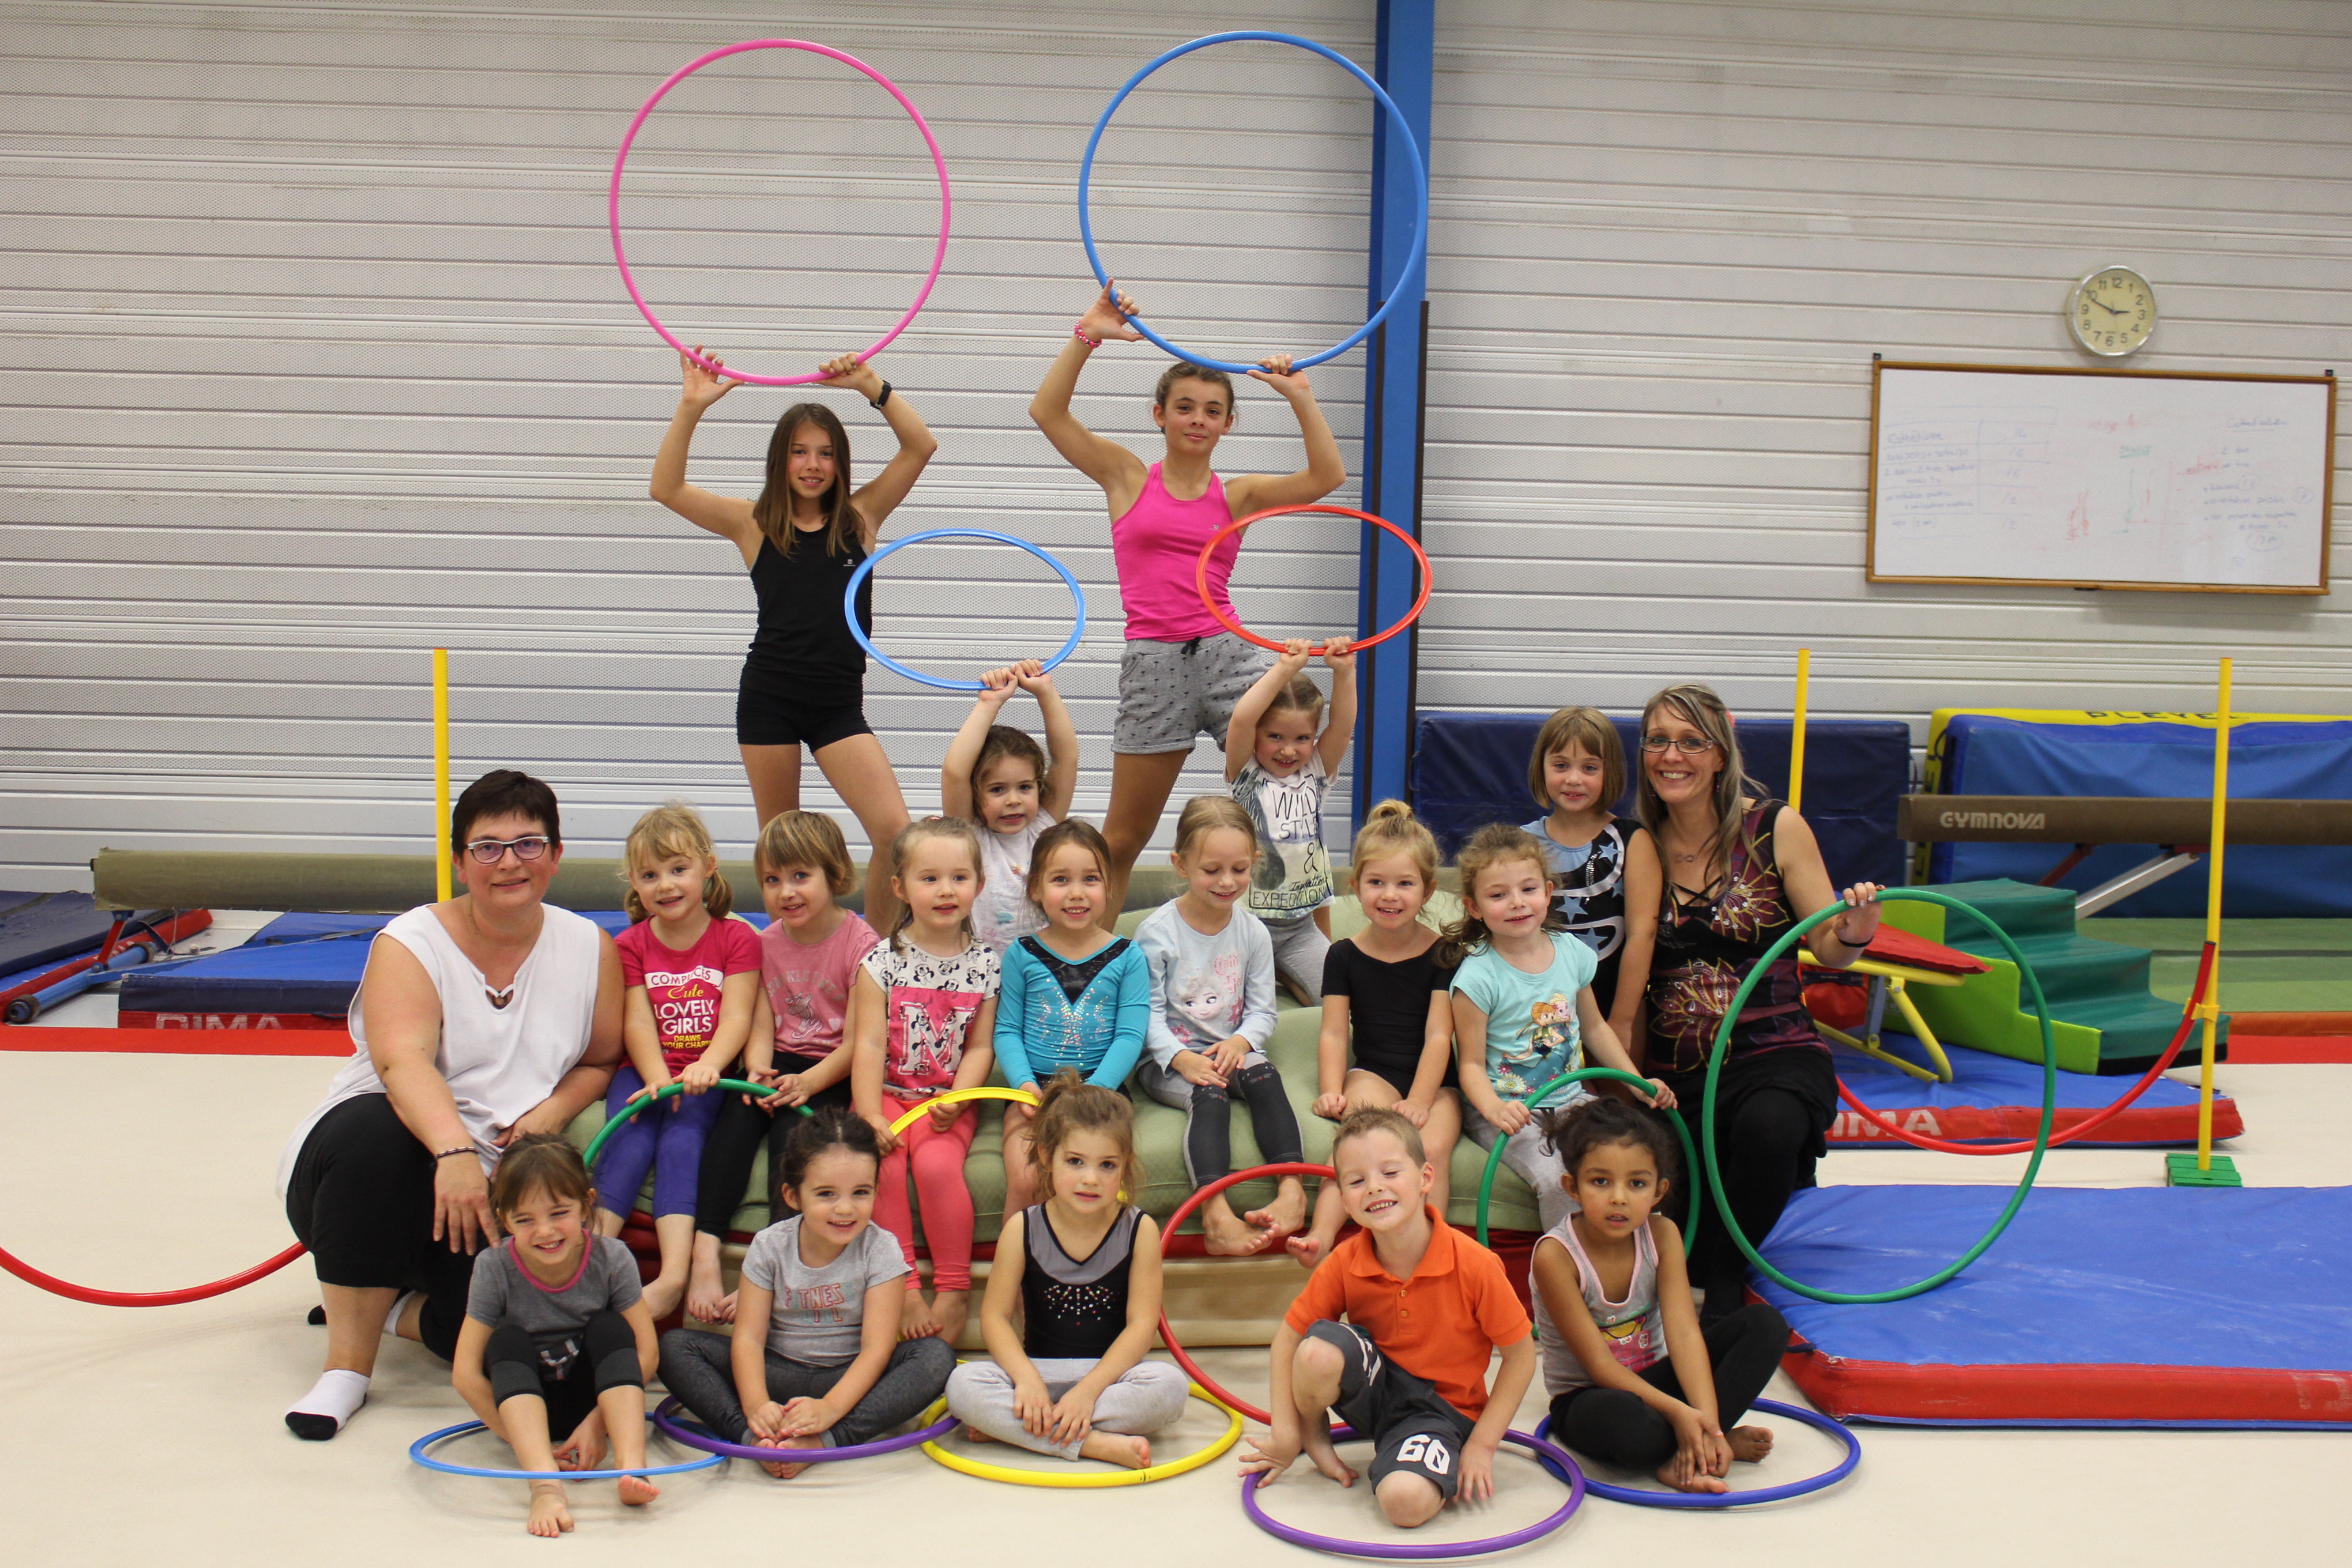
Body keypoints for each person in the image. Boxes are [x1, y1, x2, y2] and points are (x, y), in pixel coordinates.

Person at [279, 769, 623, 1441]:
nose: (510, 862)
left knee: (520, 1330)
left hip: (494, 1185)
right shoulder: (411, 942)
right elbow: (401, 1062)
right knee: (375, 1134)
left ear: (555, 855)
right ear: (461, 863)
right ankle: (346, 1369)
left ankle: (396, 1311)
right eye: (488, 848)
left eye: (528, 844)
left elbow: (600, 1060)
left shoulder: (589, 947)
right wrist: (455, 1151)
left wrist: (553, 1112)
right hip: (378, 1171)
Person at [1028, 281, 1347, 915]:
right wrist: (1088, 335)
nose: (1198, 419)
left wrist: (1300, 396)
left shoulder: (1239, 495)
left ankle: (1312, 950)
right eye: (1184, 407)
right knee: (1122, 839)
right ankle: (1096, 954)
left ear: (1228, 423)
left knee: (1289, 815)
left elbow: (1327, 476)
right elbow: (1048, 413)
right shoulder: (1125, 476)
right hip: (1155, 665)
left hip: (1231, 659)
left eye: (1212, 410)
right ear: (1160, 415)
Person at [1614, 683, 1881, 1321]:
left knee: (1769, 1128)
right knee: (1675, 1215)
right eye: (1658, 741)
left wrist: (1857, 929)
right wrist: (1623, 1073)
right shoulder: (1638, 843)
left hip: (1774, 1051)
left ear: (1720, 754)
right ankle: (1707, 1264)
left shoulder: (1775, 828)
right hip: (1681, 1072)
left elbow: (1830, 947)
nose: (1671, 756)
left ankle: (1727, 1280)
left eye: (1690, 742)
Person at [649, 344, 937, 926]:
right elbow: (666, 488)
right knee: (782, 851)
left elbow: (921, 446)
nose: (813, 464)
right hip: (770, 698)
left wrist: (871, 386)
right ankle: (787, 955)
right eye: (800, 452)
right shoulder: (753, 523)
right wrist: (691, 407)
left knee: (895, 833)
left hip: (837, 706)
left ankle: (879, 955)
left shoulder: (861, 517)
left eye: (826, 453)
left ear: (840, 463)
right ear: (780, 460)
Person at [1243, 1107, 1538, 1530]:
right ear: (1344, 1200)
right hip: (1375, 1389)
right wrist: (1287, 1434)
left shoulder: (1475, 1264)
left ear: (1425, 1178)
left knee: (1404, 1503)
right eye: (1356, 1181)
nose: (1374, 1188)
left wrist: (1482, 1445)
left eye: (1391, 1172)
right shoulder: (1344, 1260)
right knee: (1316, 1352)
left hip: (1441, 1412)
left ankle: (1411, 1456)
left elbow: (1521, 1357)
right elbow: (1287, 1340)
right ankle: (1314, 1434)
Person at [659, 1108, 956, 1479]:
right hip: (777, 1369)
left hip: (847, 1377)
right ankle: (754, 1438)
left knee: (935, 1356)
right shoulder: (769, 1245)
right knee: (674, 1347)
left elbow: (876, 1349)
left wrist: (830, 1409)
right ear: (793, 1195)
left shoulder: (881, 1249)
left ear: (876, 1190)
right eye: (826, 1194)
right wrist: (756, 1405)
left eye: (861, 1193)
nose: (845, 1209)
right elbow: (748, 1339)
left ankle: (824, 1442)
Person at [1529, 1098, 1786, 1493]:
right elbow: (1599, 1366)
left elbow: (1684, 1335)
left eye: (1636, 1184)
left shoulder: (1662, 1234)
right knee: (1625, 1423)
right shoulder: (1556, 1256)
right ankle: (1688, 1448)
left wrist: (1707, 1422)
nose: (1619, 1198)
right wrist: (1680, 1414)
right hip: (1592, 1397)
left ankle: (1702, 1444)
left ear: (1658, 1191)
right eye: (1600, 1182)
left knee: (1765, 1324)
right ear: (1572, 1187)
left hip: (1656, 1382)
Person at [687, 809, 879, 1324]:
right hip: (775, 1063)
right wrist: (756, 1069)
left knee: (793, 1142)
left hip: (829, 1069)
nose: (786, 892)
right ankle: (704, 1254)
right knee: (732, 1124)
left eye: (800, 876)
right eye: (772, 880)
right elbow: (760, 1020)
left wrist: (808, 1083)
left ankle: (775, 1267)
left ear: (834, 875)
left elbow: (860, 1042)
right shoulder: (764, 942)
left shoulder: (861, 945)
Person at [945, 1074, 1189, 1469]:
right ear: (1046, 1157)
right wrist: (1026, 1381)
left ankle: (1021, 1429)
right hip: (1037, 1373)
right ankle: (1091, 1443)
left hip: (1107, 1378)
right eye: (1075, 1162)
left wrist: (1088, 1393)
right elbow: (994, 1318)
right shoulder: (1022, 1227)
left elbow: (1142, 1326)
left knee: (1170, 1387)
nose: (1090, 1179)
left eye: (1107, 1165)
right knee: (962, 1386)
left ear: (1125, 1167)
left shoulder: (1139, 1228)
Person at [1445, 823, 1674, 1238]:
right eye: (1498, 895)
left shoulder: (1570, 953)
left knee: (1629, 1159)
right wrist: (1495, 1110)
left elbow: (1595, 1029)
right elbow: (1471, 1066)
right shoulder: (1477, 977)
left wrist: (1636, 1083)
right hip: (1510, 1111)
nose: (1517, 903)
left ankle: (1633, 1260)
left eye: (1528, 889)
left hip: (1572, 1100)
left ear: (1548, 892)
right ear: (1474, 907)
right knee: (1558, 1180)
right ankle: (1566, 1267)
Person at [594, 802, 761, 1322]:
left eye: (678, 869)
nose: (665, 885)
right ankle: (592, 1261)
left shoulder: (736, 938)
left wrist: (709, 1064)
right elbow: (638, 1024)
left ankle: (672, 1275)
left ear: (708, 868)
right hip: (645, 1071)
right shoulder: (630, 944)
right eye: (650, 875)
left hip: (706, 1076)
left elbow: (737, 1016)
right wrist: (655, 1078)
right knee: (630, 1136)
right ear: (634, 883)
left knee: (682, 1140)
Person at [451, 1136, 661, 1537]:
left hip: (593, 1399)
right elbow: (465, 1374)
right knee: (505, 1340)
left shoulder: (612, 1257)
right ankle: (545, 1488)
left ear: (586, 1204)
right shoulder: (494, 1267)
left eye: (559, 1213)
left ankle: (632, 1468)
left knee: (611, 1327)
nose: (545, 1231)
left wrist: (598, 1426)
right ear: (504, 1219)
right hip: (527, 1408)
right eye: (525, 1220)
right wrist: (529, 1447)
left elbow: (647, 1352)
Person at [1132, 796, 1308, 1256]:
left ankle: (1292, 1190)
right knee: (1210, 1097)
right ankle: (1214, 1213)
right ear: (1181, 865)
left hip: (1231, 1049)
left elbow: (1264, 1011)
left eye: (1239, 869)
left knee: (1266, 1077)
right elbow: (1144, 1014)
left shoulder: (1253, 932)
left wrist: (1242, 1041)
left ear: (1255, 862)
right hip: (1169, 1060)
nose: (1227, 882)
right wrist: (1181, 1059)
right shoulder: (1157, 933)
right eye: (1211, 870)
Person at [849, 817, 1001, 1343]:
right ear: (900, 887)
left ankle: (954, 1287)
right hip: (887, 1096)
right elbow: (868, 1045)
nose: (945, 890)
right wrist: (870, 1114)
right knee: (886, 1168)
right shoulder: (880, 962)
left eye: (959, 878)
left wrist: (959, 1098)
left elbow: (980, 1046)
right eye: (929, 878)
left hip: (947, 1100)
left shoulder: (986, 964)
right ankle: (905, 1283)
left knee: (937, 1167)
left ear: (979, 885)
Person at [1291, 801, 1463, 1268]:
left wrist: (1421, 1100)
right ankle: (1320, 1236)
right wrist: (1331, 1089)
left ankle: (1432, 1249)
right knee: (1359, 1141)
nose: (1390, 895)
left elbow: (1439, 1035)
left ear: (1428, 890)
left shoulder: (1445, 953)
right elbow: (1333, 1033)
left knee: (1431, 1148)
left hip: (1437, 1081)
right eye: (1376, 883)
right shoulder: (1343, 955)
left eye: (1405, 884)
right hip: (1374, 1072)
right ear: (1356, 887)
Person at [992, 819, 1150, 1214]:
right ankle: (1018, 1252)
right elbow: (1007, 1030)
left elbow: (1130, 1036)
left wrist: (1092, 1093)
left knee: (1094, 1184)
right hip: (1033, 1094)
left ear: (1109, 885)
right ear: (1036, 888)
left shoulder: (1128, 956)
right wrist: (1024, 1085)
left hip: (1103, 1094)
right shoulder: (1021, 953)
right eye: (1061, 880)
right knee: (1027, 1178)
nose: (1076, 893)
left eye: (1090, 879)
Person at [1224, 636, 1358, 1003]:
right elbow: (1240, 721)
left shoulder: (1316, 770)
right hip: (1246, 924)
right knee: (1236, 1004)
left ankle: (1284, 968)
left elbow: (1343, 726)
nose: (1288, 750)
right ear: (1257, 735)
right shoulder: (1247, 774)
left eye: (1302, 738)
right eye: (1274, 736)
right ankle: (1272, 969)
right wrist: (1284, 668)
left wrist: (1344, 673)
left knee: (1335, 999)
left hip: (1300, 927)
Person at [941, 659, 1078, 955]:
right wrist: (989, 704)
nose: (1013, 800)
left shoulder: (1044, 827)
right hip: (982, 971)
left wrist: (1046, 692)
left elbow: (1066, 758)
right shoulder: (969, 836)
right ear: (974, 792)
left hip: (1040, 968)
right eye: (997, 789)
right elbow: (955, 773)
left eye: (1025, 787)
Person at [1523, 706, 1648, 1028]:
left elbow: (1642, 935)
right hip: (1539, 1014)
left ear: (1611, 772)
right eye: (1561, 765)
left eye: (1590, 767)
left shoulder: (1632, 840)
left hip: (1614, 1009)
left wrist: (1622, 1020)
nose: (1574, 779)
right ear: (1541, 767)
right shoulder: (1522, 845)